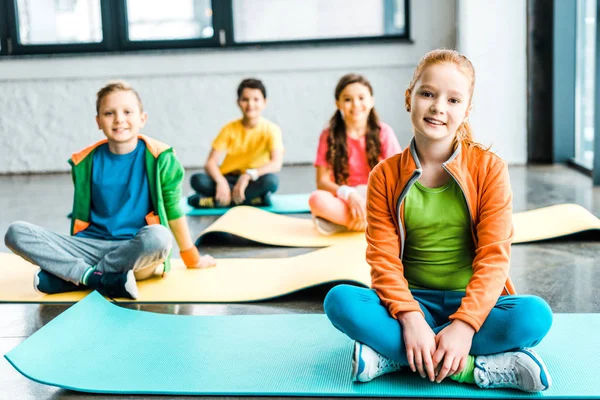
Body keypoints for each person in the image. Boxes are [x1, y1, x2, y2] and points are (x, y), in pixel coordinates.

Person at [323, 50, 553, 392]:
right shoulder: (384, 176)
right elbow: (382, 260)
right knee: (340, 301)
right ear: (409, 98)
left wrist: (465, 325)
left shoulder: (490, 169)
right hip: (411, 303)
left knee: (534, 315)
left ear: (466, 110)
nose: (438, 107)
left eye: (453, 99)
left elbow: (494, 257)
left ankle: (395, 357)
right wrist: (410, 317)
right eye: (427, 93)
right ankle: (476, 366)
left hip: (474, 303)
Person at [4, 81, 216, 300]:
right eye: (109, 113)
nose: (119, 119)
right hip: (89, 245)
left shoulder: (161, 158)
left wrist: (192, 257)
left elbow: (172, 209)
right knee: (16, 232)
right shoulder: (85, 161)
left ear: (142, 118)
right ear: (98, 121)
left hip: (135, 250)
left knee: (159, 238)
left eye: (127, 112)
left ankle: (77, 276)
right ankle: (99, 278)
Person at [309, 73, 401, 235]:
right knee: (316, 200)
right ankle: (370, 223)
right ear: (338, 104)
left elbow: (397, 177)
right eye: (347, 99)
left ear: (371, 101)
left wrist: (369, 197)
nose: (355, 104)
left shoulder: (384, 132)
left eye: (361, 98)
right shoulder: (328, 135)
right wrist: (349, 194)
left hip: (375, 197)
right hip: (344, 197)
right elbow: (322, 182)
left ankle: (344, 223)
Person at [188, 78, 283, 209]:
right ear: (238, 102)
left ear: (264, 102)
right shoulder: (229, 129)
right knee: (197, 180)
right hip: (228, 179)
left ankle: (214, 201)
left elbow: (276, 164)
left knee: (271, 181)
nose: (250, 104)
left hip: (252, 179)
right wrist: (221, 182)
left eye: (256, 99)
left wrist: (248, 176)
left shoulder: (271, 130)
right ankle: (254, 200)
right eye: (245, 99)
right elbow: (210, 163)